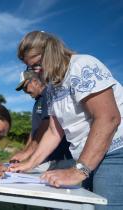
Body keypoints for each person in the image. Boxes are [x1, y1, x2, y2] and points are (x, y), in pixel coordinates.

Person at [10, 31, 123, 210]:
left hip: (115, 152)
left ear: (52, 51)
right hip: (87, 156)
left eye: (37, 65)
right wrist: (29, 163)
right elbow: (54, 131)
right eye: (31, 68)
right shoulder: (52, 87)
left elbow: (108, 118)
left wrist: (79, 171)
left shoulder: (81, 65)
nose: (36, 73)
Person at [11, 69, 72, 167]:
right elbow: (34, 131)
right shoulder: (38, 100)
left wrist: (27, 153)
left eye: (25, 86)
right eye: (23, 89)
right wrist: (25, 152)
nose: (25, 91)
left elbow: (46, 124)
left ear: (35, 81)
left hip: (58, 158)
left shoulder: (48, 94)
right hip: (46, 158)